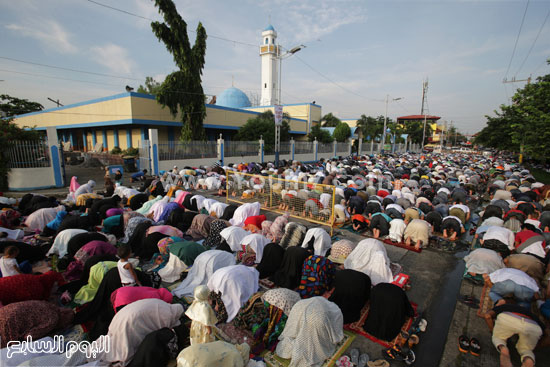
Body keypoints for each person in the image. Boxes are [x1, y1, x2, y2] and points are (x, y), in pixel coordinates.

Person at [483, 299, 544, 367]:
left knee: (498, 338)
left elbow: (487, 316)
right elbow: (547, 333)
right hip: (533, 325)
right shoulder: (530, 313)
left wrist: (493, 330)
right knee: (526, 350)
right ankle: (528, 361)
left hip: (508, 318)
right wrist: (537, 345)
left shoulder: (503, 306)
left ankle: (504, 351)